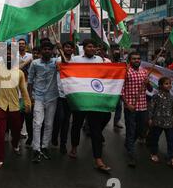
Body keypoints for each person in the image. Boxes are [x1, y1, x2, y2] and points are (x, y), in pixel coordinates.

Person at [68, 39, 112, 173]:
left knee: (96, 130)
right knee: (76, 124)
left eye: (94, 47)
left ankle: (98, 159)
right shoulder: (75, 60)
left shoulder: (100, 60)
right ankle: (74, 147)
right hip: (80, 99)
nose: (92, 49)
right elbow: (69, 74)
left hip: (94, 100)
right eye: (89, 46)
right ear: (84, 48)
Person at [0, 43, 31, 169]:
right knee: (0, 133)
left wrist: (27, 104)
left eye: (11, 55)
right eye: (6, 55)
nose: (9, 56)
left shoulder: (19, 73)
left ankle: (15, 145)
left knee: (16, 130)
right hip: (1, 105)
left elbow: (24, 90)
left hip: (14, 107)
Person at [28, 41, 59, 162]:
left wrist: (59, 48)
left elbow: (67, 63)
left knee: (49, 124)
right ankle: (36, 149)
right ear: (41, 51)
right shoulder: (35, 63)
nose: (47, 51)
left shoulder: (56, 62)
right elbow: (30, 80)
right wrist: (30, 97)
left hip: (52, 97)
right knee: (37, 123)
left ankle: (45, 147)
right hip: (38, 97)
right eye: (44, 49)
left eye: (49, 49)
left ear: (52, 51)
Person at [121, 51, 153, 168]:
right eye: (134, 59)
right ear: (130, 60)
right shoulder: (125, 72)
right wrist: (127, 104)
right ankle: (131, 155)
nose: (137, 60)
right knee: (130, 130)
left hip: (143, 107)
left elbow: (150, 89)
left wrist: (148, 83)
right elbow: (121, 90)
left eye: (138, 58)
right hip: (131, 107)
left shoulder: (145, 72)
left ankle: (128, 144)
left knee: (141, 130)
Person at [148, 77, 173, 168]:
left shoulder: (172, 97)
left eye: (170, 83)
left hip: (169, 123)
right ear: (161, 85)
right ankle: (153, 153)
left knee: (171, 141)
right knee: (155, 138)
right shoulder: (156, 96)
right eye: (166, 83)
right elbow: (151, 108)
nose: (169, 85)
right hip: (157, 122)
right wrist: (150, 118)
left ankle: (171, 158)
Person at [52, 41, 75, 154]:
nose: (68, 49)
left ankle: (63, 144)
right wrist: (60, 49)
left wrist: (60, 48)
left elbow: (69, 65)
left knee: (66, 120)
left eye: (70, 47)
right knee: (59, 118)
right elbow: (65, 63)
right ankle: (54, 135)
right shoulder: (58, 60)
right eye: (66, 47)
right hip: (59, 94)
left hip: (70, 95)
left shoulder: (76, 61)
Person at [111, 46, 124, 129]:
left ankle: (116, 121)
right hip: (109, 88)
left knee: (119, 106)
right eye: (115, 54)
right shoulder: (108, 63)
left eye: (118, 54)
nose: (117, 55)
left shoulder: (122, 64)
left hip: (118, 88)